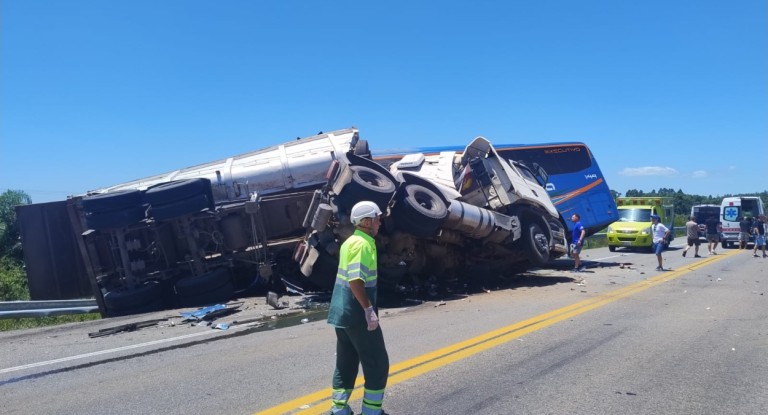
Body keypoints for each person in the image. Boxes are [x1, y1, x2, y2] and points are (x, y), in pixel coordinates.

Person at [327, 201, 389, 415]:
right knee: (376, 362)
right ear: (366, 221)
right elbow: (355, 281)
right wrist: (368, 310)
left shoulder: (350, 242)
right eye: (377, 218)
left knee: (346, 362)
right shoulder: (362, 245)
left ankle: (339, 409)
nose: (380, 222)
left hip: (342, 315)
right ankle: (371, 411)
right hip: (356, 316)